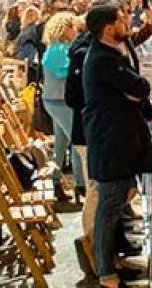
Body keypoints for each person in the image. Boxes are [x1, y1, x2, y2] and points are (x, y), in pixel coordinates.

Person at [82, 1, 152, 288]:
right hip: (110, 141)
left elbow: (136, 91)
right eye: (121, 19)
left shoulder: (110, 53)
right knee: (109, 206)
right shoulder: (103, 59)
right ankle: (106, 273)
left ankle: (110, 261)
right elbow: (141, 87)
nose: (127, 23)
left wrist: (133, 95)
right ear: (108, 28)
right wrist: (133, 93)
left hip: (118, 139)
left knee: (116, 201)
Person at [41, 11, 84, 204]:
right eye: (72, 27)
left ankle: (56, 181)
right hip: (59, 101)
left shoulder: (57, 47)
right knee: (77, 141)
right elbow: (66, 72)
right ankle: (81, 185)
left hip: (56, 99)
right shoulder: (58, 49)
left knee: (61, 143)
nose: (75, 31)